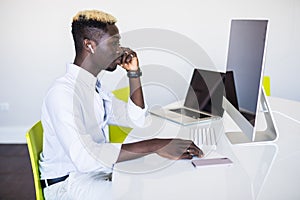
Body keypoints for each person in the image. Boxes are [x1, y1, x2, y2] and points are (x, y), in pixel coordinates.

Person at [39, 9, 203, 199]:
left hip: (95, 173)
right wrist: (155, 145)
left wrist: (134, 73)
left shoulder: (94, 87)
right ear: (89, 45)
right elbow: (84, 159)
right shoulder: (63, 93)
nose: (120, 50)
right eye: (113, 43)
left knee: (160, 178)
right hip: (67, 184)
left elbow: (137, 119)